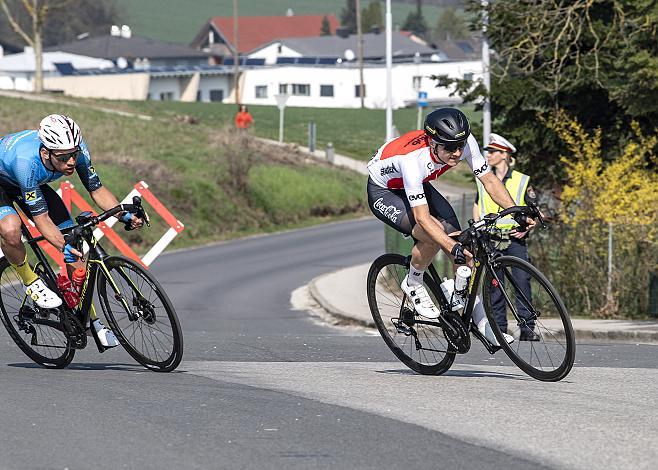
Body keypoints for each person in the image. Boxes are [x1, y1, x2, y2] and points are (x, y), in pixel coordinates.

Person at [367, 108, 534, 346]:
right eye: (449, 147)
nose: (457, 153)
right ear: (432, 143)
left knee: (464, 247)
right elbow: (423, 219)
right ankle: (413, 282)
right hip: (385, 190)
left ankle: (482, 322)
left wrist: (516, 210)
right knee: (431, 235)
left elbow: (488, 180)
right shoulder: (413, 160)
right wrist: (449, 245)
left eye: (460, 145)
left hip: (418, 184)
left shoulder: (463, 142)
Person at [0, 114, 144, 347]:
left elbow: (97, 190)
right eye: (64, 157)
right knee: (11, 230)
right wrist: (61, 246)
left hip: (32, 185)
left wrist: (124, 214)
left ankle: (90, 321)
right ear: (46, 152)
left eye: (73, 155)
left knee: (75, 247)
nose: (70, 162)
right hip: (6, 180)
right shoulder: (26, 161)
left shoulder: (76, 150)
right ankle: (31, 282)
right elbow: (42, 219)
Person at [473, 133, 540, 341]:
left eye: (492, 152)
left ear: (505, 154)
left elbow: (533, 211)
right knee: (495, 287)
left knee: (522, 283)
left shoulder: (521, 180)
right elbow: (477, 205)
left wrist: (528, 228)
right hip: (491, 239)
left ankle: (527, 329)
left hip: (514, 240)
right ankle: (500, 329)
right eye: (488, 152)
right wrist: (478, 228)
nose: (489, 156)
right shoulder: (485, 179)